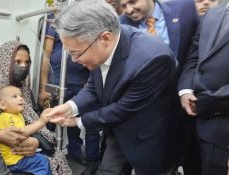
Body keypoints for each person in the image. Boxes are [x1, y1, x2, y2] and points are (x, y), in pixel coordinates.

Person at [46, 0, 180, 174]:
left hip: (151, 137)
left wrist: (77, 121)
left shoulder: (151, 59)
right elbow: (94, 89)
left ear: (105, 38)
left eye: (76, 53)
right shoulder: (97, 47)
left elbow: (122, 108)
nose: (74, 60)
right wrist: (69, 107)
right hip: (117, 132)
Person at [0, 40, 72, 175]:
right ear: (5, 62)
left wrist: (36, 142)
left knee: (55, 158)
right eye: (17, 62)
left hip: (26, 151)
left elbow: (34, 122)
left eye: (27, 63)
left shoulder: (24, 91)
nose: (23, 67)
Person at [119, 0, 200, 174]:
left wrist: (187, 88)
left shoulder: (185, 8)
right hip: (148, 115)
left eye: (132, 2)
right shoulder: (121, 25)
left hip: (185, 105)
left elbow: (195, 51)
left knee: (192, 160)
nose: (129, 10)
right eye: (123, 5)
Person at [39, 11, 100, 174]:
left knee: (78, 123)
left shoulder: (84, 20)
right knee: (51, 121)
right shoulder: (53, 20)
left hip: (82, 84)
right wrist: (43, 87)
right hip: (57, 81)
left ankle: (81, 156)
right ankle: (50, 156)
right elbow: (46, 54)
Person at [178, 2, 229, 175]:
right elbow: (193, 56)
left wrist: (211, 101)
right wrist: (185, 91)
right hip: (201, 126)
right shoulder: (211, 15)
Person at [0, 85, 52, 175]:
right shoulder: (8, 117)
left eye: (21, 96)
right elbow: (21, 133)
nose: (20, 99)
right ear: (2, 105)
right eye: (15, 96)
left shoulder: (17, 115)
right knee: (42, 161)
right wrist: (41, 121)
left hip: (17, 156)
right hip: (13, 160)